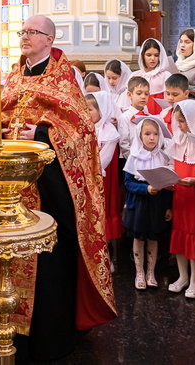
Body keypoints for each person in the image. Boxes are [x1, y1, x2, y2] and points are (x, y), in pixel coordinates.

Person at [0, 15, 116, 361]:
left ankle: (51, 335)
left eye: (31, 32)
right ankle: (10, 328)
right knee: (10, 259)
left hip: (49, 189)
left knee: (49, 264)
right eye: (22, 32)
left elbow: (81, 132)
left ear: (49, 38)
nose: (24, 37)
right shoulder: (13, 75)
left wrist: (42, 135)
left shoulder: (64, 78)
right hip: (8, 188)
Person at [123, 116, 173, 290]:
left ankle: (151, 273)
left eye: (155, 134)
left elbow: (167, 184)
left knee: (153, 236)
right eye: (147, 134)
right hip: (139, 203)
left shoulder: (163, 157)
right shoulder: (134, 157)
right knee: (139, 237)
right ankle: (139, 273)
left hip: (157, 203)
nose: (152, 138)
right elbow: (128, 183)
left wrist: (168, 206)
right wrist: (144, 189)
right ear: (140, 136)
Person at [169, 100, 195, 299]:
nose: (180, 126)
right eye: (177, 122)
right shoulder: (178, 139)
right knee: (180, 232)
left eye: (183, 122)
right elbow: (171, 163)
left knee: (194, 233)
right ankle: (182, 276)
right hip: (180, 195)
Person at [86, 92, 122, 272]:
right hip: (85, 180)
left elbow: (103, 160)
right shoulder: (84, 128)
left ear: (102, 110)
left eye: (90, 109)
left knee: (103, 216)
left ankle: (108, 257)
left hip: (102, 182)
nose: (87, 112)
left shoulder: (110, 132)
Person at [131, 38, 173, 114]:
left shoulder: (166, 76)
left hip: (161, 116)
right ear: (142, 56)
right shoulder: (135, 76)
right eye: (149, 55)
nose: (152, 59)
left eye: (156, 55)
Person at [117, 76, 150, 161]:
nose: (143, 97)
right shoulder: (125, 117)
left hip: (148, 160)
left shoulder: (149, 116)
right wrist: (134, 161)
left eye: (146, 94)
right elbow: (124, 144)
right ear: (129, 95)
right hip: (130, 161)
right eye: (139, 93)